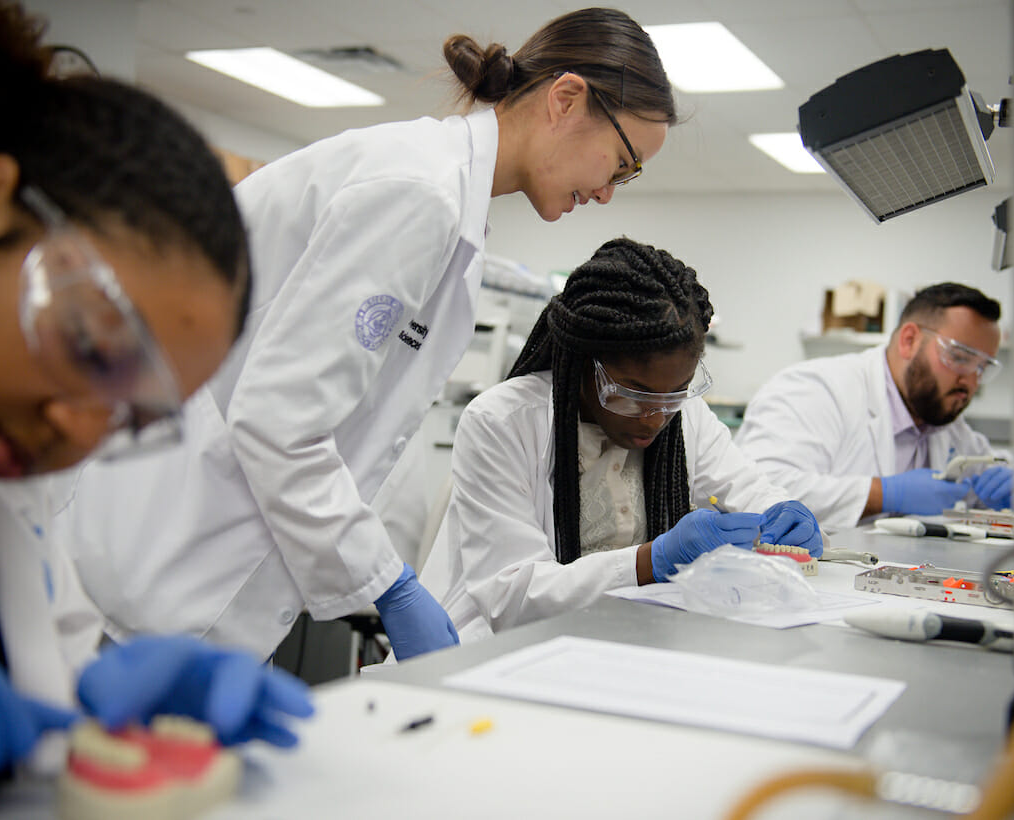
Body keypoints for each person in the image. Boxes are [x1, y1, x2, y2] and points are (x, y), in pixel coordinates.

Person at [53, 7, 678, 664]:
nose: (611, 192)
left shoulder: (445, 199)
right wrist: (389, 584)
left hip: (182, 571)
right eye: (623, 162)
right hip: (146, 570)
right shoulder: (417, 192)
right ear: (566, 99)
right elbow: (278, 423)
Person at [0, 0, 310, 780]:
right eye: (87, 344)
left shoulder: (15, 496)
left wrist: (79, 704)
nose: (74, 425)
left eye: (127, 414)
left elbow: (39, 708)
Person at [420, 238, 823, 641]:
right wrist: (653, 560)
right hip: (497, 651)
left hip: (625, 639)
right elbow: (513, 599)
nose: (655, 417)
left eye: (675, 393)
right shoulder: (502, 422)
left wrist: (782, 514)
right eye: (632, 395)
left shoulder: (681, 414)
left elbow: (747, 489)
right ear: (584, 362)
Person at [733, 282, 1013, 530]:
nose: (971, 382)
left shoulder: (943, 421)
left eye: (982, 368)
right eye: (960, 357)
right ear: (909, 340)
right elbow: (758, 489)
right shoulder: (816, 389)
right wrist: (883, 494)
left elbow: (985, 481)